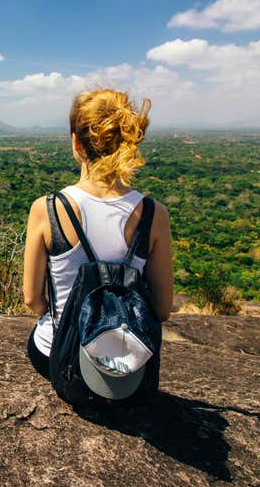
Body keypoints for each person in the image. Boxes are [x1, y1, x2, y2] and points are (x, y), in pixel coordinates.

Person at [22, 88, 174, 392]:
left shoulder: (48, 209)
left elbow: (33, 302)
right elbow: (162, 309)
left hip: (58, 355)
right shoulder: (153, 214)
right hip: (127, 369)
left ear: (76, 143)